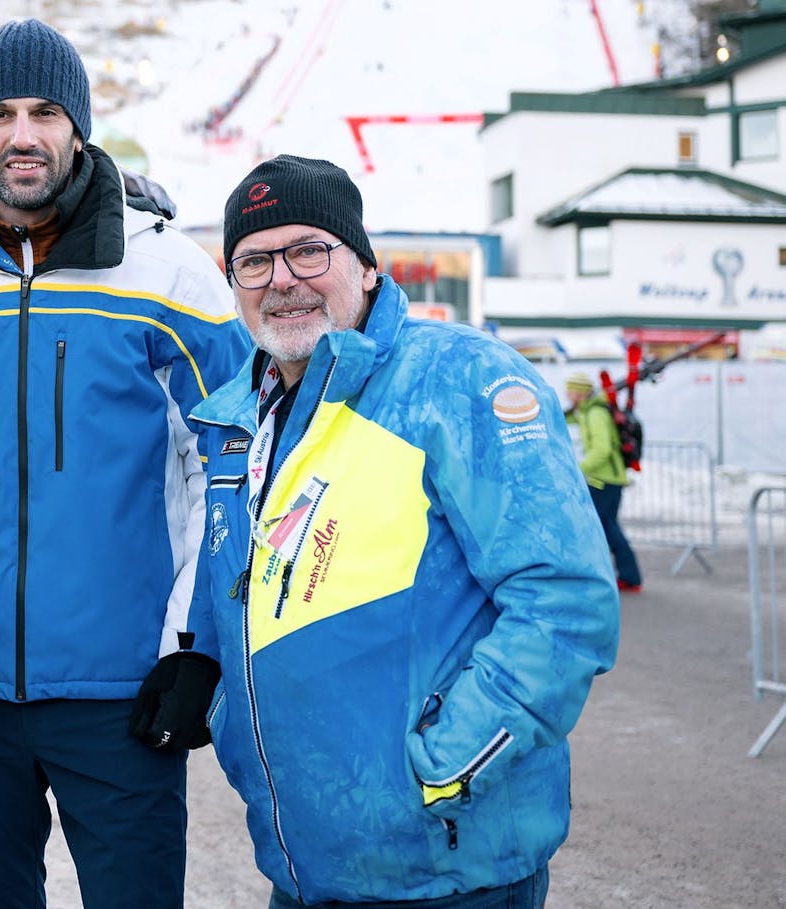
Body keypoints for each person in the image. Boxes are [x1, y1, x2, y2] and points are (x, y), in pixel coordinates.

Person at [0, 18, 248, 909]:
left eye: (46, 111)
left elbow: (234, 462)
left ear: (77, 127)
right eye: (0, 113)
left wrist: (193, 646)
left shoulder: (168, 274)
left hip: (123, 690)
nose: (23, 134)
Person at [188, 154, 620, 908]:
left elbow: (566, 602)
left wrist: (448, 764)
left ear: (363, 263)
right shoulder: (238, 421)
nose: (282, 278)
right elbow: (245, 585)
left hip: (447, 869)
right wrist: (204, 673)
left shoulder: (460, 381)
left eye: (308, 250)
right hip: (304, 866)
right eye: (255, 260)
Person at [566, 372, 643, 593]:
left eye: (570, 390)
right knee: (607, 527)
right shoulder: (585, 411)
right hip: (604, 480)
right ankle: (628, 576)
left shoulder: (595, 414)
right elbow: (566, 417)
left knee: (601, 528)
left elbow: (602, 450)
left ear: (580, 393)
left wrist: (577, 471)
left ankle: (625, 576)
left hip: (605, 480)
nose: (567, 394)